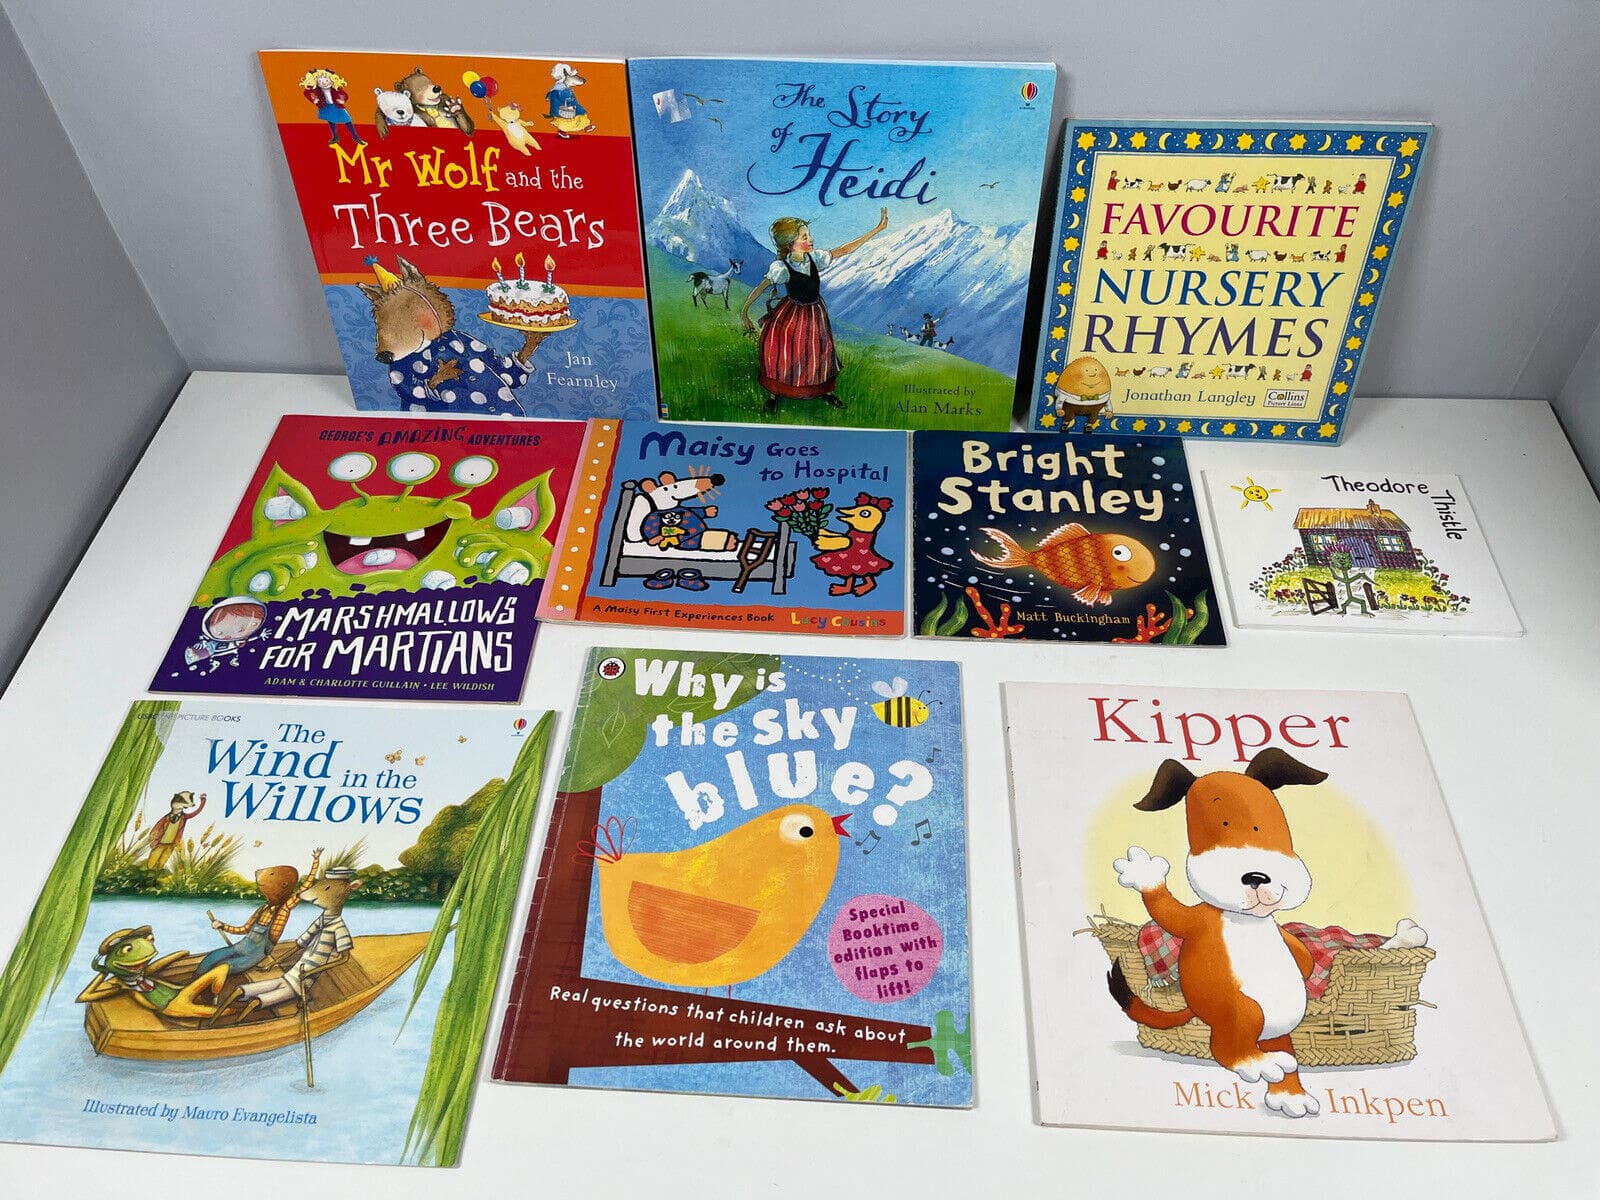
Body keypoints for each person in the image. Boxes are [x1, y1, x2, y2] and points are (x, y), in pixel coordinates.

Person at [740, 208, 889, 413]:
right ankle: (774, 394)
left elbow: (844, 250)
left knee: (820, 352)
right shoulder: (781, 268)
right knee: (784, 353)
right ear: (790, 244)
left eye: (808, 235)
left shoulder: (815, 258)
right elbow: (760, 288)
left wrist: (877, 229)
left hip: (815, 313)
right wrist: (744, 312)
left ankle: (824, 391)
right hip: (792, 315)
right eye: (804, 237)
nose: (811, 239)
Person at [197, 848, 322, 978]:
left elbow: (304, 888)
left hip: (254, 955)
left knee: (224, 967)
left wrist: (315, 862)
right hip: (239, 947)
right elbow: (244, 929)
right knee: (211, 958)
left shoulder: (283, 910)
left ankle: (202, 987)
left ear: (284, 885)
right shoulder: (262, 909)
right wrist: (222, 925)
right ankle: (193, 981)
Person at [299, 69, 363, 148]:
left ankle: (356, 137)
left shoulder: (335, 88)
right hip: (326, 106)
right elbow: (307, 92)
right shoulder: (317, 89)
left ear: (332, 80)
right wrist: (314, 99)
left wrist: (342, 100)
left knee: (347, 120)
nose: (323, 83)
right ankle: (335, 137)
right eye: (320, 82)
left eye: (326, 80)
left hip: (336, 106)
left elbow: (344, 95)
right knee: (330, 120)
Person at [146, 791, 206, 870]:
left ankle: (156, 875)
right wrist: (152, 837)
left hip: (171, 845)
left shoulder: (184, 817)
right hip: (159, 844)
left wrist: (203, 801)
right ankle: (148, 873)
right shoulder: (166, 817)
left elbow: (196, 812)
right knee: (152, 861)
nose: (177, 805)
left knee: (162, 862)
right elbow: (157, 827)